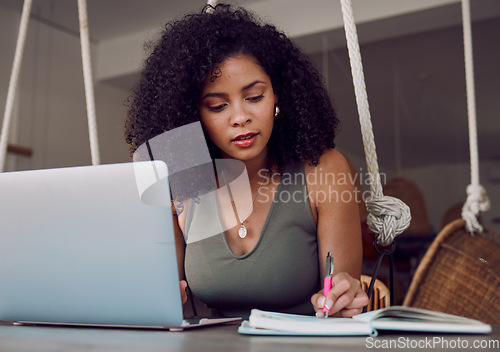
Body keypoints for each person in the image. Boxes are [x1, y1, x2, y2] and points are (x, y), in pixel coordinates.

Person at [125, 3, 368, 319]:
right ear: (191, 114)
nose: (241, 117)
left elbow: (340, 292)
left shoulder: (323, 169)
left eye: (254, 97)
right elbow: (160, 295)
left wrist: (342, 296)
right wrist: (157, 296)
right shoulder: (177, 180)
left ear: (278, 95)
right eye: (217, 106)